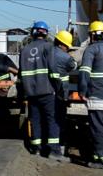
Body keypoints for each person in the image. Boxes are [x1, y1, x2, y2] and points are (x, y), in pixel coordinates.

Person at [78, 20, 103, 170]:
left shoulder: (92, 50)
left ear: (92, 35)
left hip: (97, 95)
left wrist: (82, 91)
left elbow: (85, 72)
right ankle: (98, 155)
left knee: (98, 128)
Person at [19, 21, 61, 159]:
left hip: (31, 93)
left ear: (33, 32)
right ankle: (53, 151)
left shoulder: (24, 50)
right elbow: (54, 71)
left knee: (35, 119)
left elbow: (21, 74)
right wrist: (58, 87)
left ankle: (36, 149)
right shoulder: (49, 47)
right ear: (46, 33)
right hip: (47, 91)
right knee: (51, 120)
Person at [50, 30, 77, 159]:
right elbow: (74, 66)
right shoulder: (65, 57)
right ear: (62, 44)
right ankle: (57, 149)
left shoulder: (48, 53)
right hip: (61, 93)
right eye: (67, 46)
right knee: (59, 120)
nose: (67, 49)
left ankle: (50, 147)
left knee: (50, 119)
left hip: (48, 92)